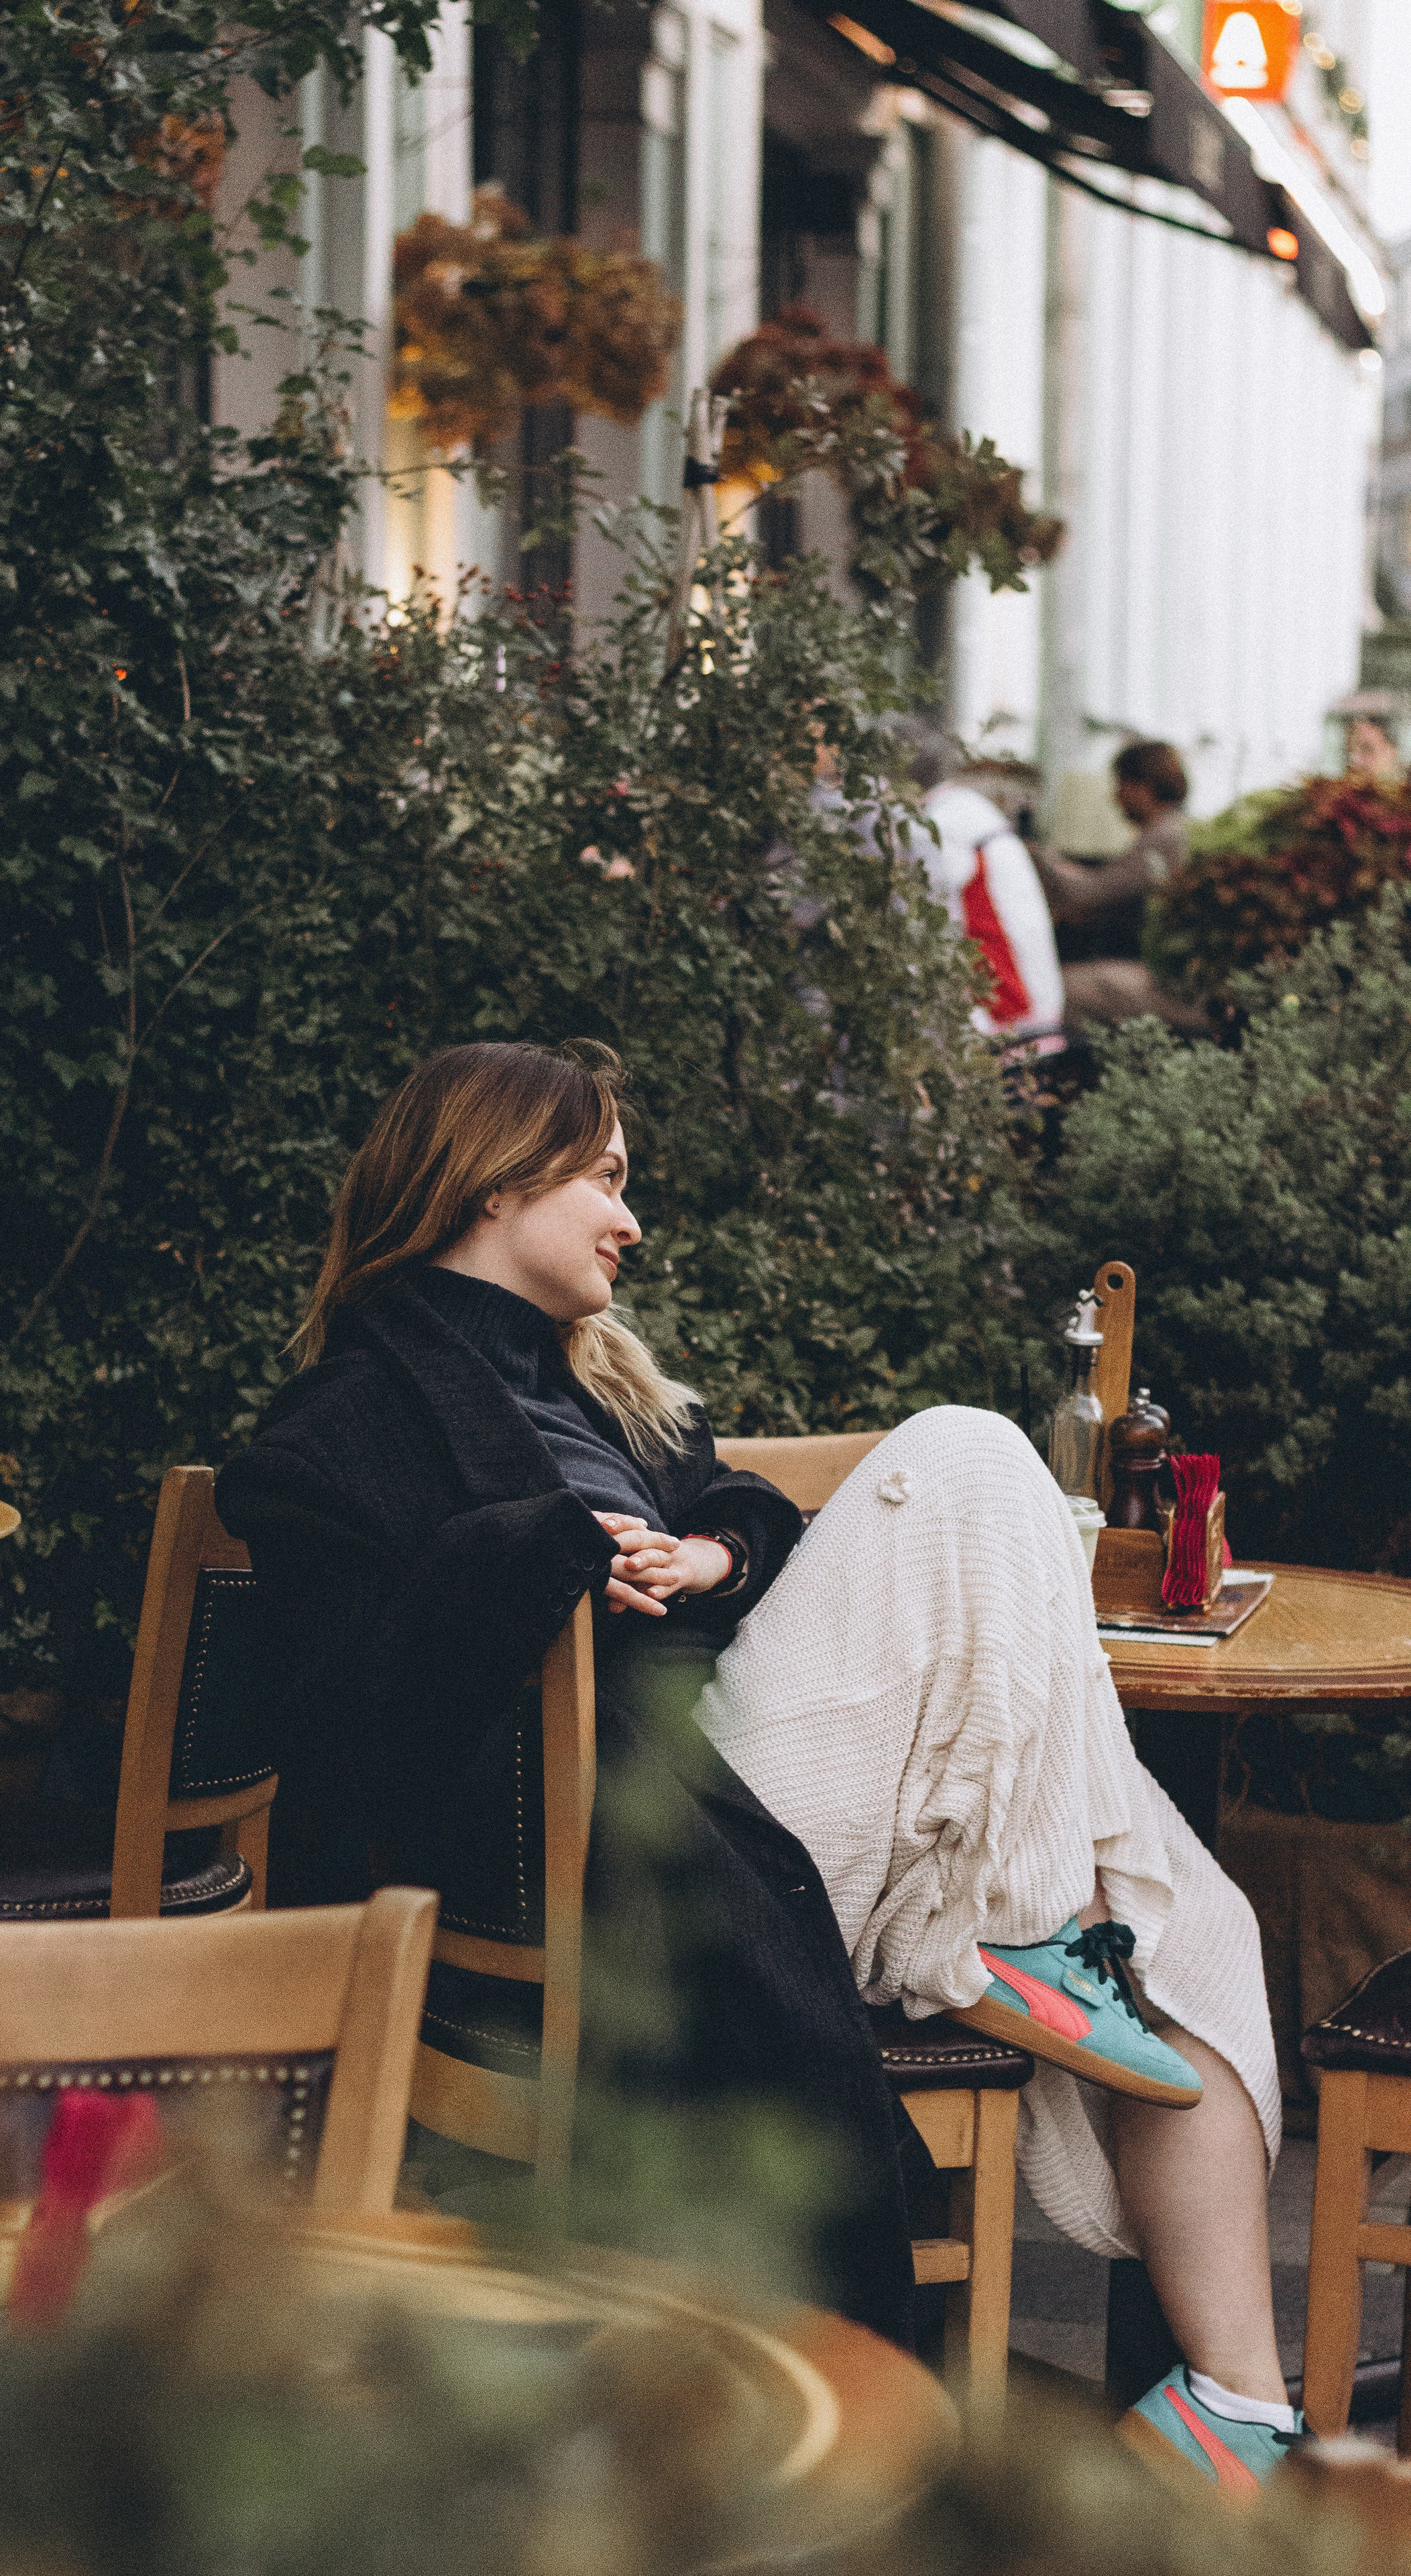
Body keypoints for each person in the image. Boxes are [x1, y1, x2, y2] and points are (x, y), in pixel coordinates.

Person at [216, 1042, 1297, 2489]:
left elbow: (738, 1504)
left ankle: (1231, 2402)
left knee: (1188, 1918)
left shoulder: (598, 1396)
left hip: (749, 1798)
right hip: (641, 1845)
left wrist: (717, 1551)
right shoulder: (336, 1428)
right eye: (603, 1177)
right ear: (489, 1173)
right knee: (977, 1458)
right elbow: (341, 1718)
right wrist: (529, 1566)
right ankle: (1013, 1935)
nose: (630, 1219)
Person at [898, 729, 1064, 1046]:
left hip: (1010, 1012)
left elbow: (925, 915)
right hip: (1031, 1004)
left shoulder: (942, 823)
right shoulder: (965, 810)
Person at [1035, 743, 1208, 1035]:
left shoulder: (1169, 835)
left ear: (1144, 785)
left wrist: (1034, 854)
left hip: (1180, 989)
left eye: (1121, 785)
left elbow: (1089, 891)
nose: (1115, 798)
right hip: (1178, 977)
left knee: (1052, 990)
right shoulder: (1180, 829)